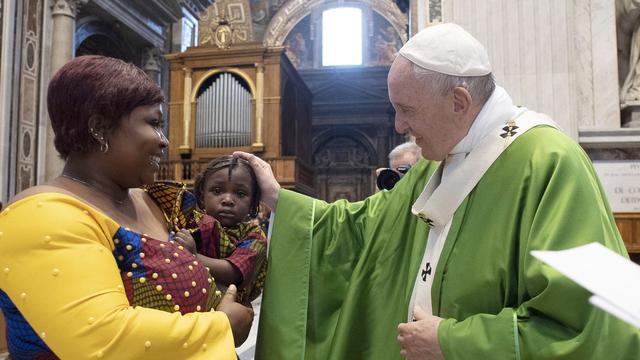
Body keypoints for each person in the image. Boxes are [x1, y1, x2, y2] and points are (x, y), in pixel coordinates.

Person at [236, 23, 640, 359]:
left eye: (407, 110)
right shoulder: (435, 163)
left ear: (459, 102)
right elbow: (365, 230)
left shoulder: (549, 163)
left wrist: (453, 342)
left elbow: (597, 321)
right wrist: (280, 200)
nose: (398, 125)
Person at [0, 55, 253, 359]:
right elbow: (104, 338)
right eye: (154, 123)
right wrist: (223, 326)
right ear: (99, 128)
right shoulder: (41, 215)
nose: (164, 142)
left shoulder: (156, 202)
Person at [173, 156, 268, 304]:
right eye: (217, 191)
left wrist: (194, 256)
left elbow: (235, 273)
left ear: (252, 202)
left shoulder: (254, 235)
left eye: (240, 194)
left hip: (230, 308)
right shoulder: (191, 221)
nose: (228, 199)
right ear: (202, 196)